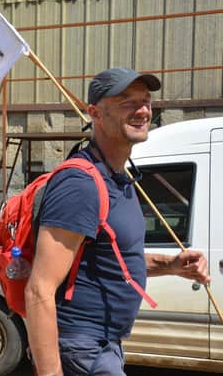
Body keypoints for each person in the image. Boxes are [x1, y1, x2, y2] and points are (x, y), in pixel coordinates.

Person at [24, 67, 211, 376]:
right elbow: (39, 289)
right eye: (127, 102)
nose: (142, 110)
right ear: (95, 113)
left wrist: (172, 266)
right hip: (81, 347)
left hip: (106, 344)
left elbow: (113, 260)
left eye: (146, 101)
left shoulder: (119, 178)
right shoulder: (80, 183)